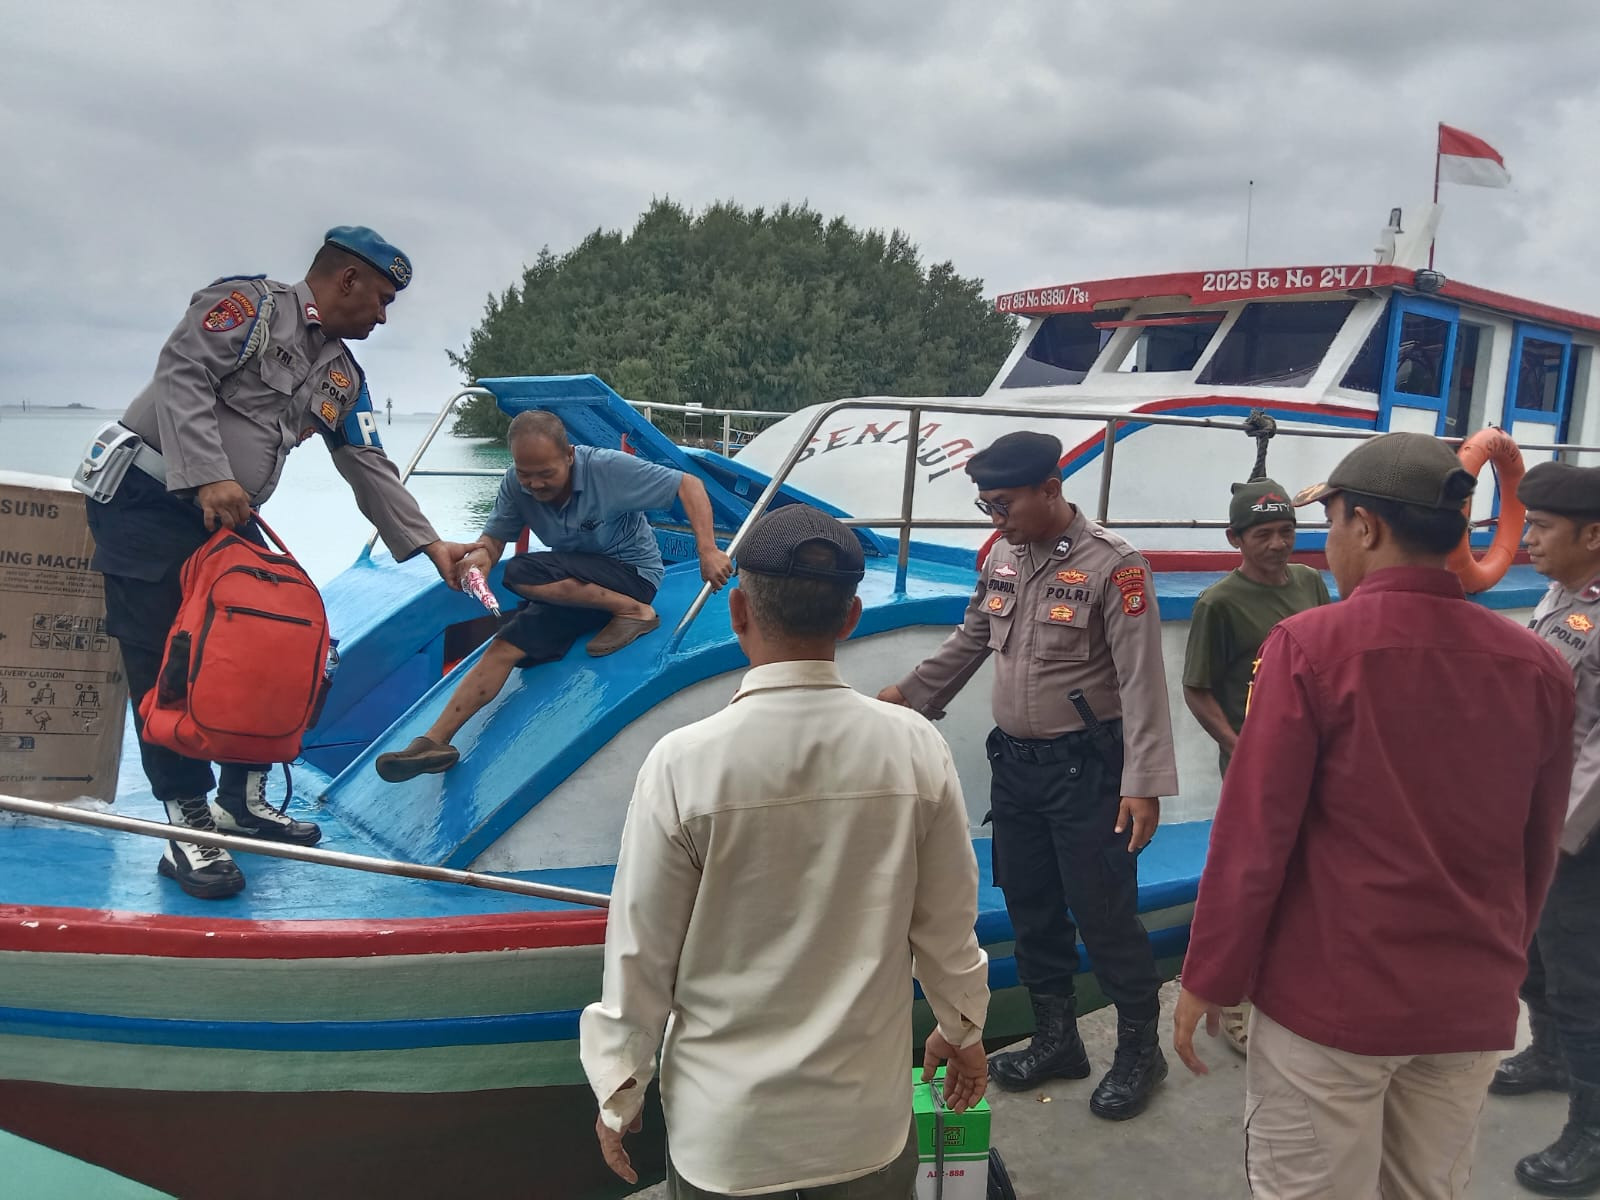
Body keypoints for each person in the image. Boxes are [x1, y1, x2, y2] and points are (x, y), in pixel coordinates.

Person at [1172, 432, 1573, 1200]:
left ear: (1367, 527)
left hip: (1332, 1002)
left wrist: (1209, 977)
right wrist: (1497, 963)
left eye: (1331, 521)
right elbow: (1537, 846)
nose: (1324, 543)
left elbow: (1256, 838)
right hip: (1468, 1004)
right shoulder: (1538, 665)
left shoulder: (1310, 647)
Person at [579, 504, 990, 1198]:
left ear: (737, 610)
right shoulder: (914, 747)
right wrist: (964, 1027)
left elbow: (640, 954)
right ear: (852, 618)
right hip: (864, 1126)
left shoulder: (684, 763)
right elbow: (947, 926)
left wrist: (620, 1091)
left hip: (727, 1136)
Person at [85, 226, 471, 901]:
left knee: (271, 638)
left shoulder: (343, 375)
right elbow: (181, 374)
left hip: (223, 515)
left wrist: (429, 543)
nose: (383, 316)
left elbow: (367, 464)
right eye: (380, 298)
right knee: (161, 658)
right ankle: (187, 821)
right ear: (345, 279)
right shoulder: (247, 307)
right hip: (147, 495)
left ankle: (241, 795)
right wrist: (207, 473)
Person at [879, 430, 1178, 1121]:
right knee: (1032, 909)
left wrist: (1144, 782)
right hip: (1016, 768)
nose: (995, 518)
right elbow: (974, 637)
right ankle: (1057, 1038)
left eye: (1004, 503)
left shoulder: (1116, 566)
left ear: (1051, 488)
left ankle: (1140, 1048)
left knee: (1104, 915)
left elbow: (1142, 678)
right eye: (986, 505)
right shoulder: (1002, 556)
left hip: (1087, 773)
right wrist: (907, 696)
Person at [374, 410, 733, 781]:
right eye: (526, 474)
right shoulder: (517, 484)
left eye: (546, 474)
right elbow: (493, 540)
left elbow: (688, 485)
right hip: (576, 586)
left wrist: (707, 550)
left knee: (520, 572)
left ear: (569, 456)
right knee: (506, 644)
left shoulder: (605, 469)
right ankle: (436, 741)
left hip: (632, 575)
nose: (535, 484)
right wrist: (478, 560)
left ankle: (636, 613)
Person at [1180, 478, 1330, 1054]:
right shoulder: (1218, 603)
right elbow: (1197, 690)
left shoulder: (1312, 582)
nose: (1277, 544)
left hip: (1312, 762)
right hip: (1254, 771)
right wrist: (1239, 748)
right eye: (1263, 533)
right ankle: (1237, 1004)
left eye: (1286, 531)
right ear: (1235, 538)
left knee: (1307, 878)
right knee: (1252, 884)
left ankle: (1292, 990)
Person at [1497, 462, 1600, 1195]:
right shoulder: (1565, 594)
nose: (1527, 538)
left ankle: (1591, 1131)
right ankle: (1553, 1057)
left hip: (1583, 837)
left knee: (1583, 982)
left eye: (1542, 527)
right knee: (1533, 955)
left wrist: (1555, 838)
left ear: (1593, 535)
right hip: (1541, 820)